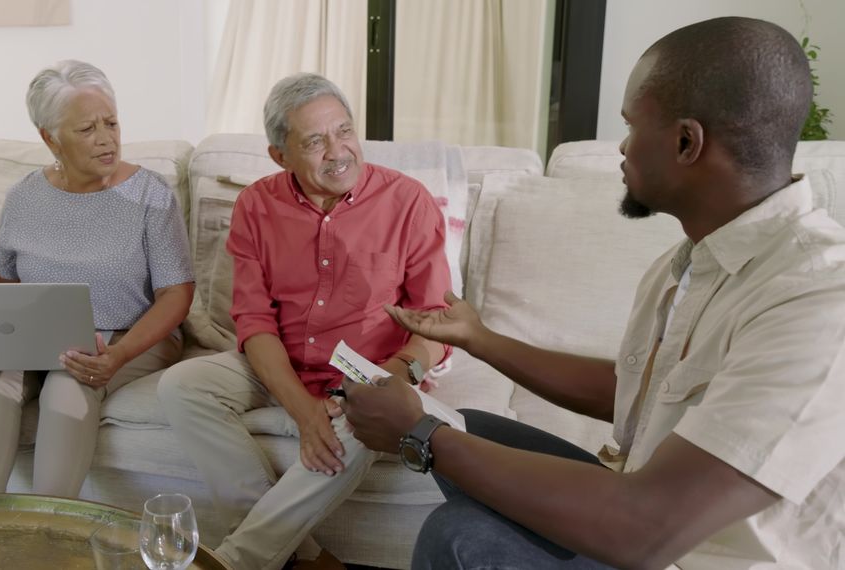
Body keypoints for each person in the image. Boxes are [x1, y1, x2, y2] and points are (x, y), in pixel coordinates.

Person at [342, 16, 845, 570]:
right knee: (473, 427)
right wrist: (478, 338)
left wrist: (420, 435)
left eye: (632, 126)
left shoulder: (818, 298)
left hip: (684, 550)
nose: (623, 147)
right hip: (647, 513)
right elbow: (634, 392)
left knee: (461, 537)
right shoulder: (688, 266)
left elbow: (646, 527)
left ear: (685, 141)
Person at [157, 72, 452, 570]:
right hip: (282, 363)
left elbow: (436, 324)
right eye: (315, 141)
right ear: (280, 155)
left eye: (344, 130)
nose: (338, 151)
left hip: (372, 372)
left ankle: (234, 562)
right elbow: (253, 321)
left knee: (372, 416)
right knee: (183, 384)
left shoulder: (408, 201)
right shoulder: (256, 205)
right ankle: (306, 559)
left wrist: (397, 375)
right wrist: (304, 411)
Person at [0, 60, 194, 497]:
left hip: (123, 337)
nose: (106, 138)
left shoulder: (150, 195)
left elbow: (177, 293)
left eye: (112, 122)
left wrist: (116, 357)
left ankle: (49, 538)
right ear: (50, 138)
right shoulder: (24, 195)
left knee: (68, 387)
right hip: (35, 335)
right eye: (87, 129)